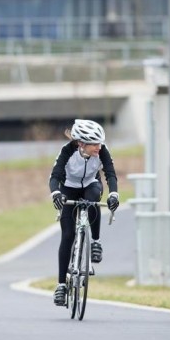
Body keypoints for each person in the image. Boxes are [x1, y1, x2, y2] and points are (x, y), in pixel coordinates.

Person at [48, 119, 119, 306]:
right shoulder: (67, 151)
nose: (99, 147)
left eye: (100, 142)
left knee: (93, 198)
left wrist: (113, 194)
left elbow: (110, 174)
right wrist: (55, 193)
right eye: (94, 143)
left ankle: (95, 241)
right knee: (68, 235)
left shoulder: (102, 151)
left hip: (90, 185)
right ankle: (61, 285)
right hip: (68, 188)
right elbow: (54, 177)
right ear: (81, 143)